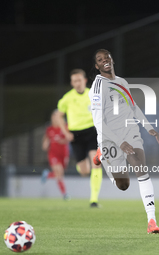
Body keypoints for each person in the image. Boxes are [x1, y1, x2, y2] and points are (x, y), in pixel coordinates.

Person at [90, 49, 159, 234]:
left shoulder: (121, 82)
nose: (105, 60)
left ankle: (151, 220)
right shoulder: (98, 88)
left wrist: (148, 127)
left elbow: (133, 106)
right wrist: (119, 142)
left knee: (140, 167)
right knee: (123, 185)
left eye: (107, 57)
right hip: (109, 139)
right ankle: (101, 155)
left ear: (112, 59)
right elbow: (98, 123)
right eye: (100, 59)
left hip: (130, 132)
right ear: (97, 66)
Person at [56, 69, 102, 208]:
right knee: (84, 171)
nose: (77, 83)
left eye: (79, 80)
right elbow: (59, 115)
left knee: (96, 161)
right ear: (72, 83)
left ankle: (93, 200)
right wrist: (65, 132)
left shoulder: (93, 94)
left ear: (85, 80)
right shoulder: (67, 98)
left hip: (92, 131)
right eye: (74, 81)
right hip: (75, 134)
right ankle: (82, 167)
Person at [41, 110, 70, 200]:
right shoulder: (49, 129)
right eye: (54, 117)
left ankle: (48, 175)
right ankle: (64, 194)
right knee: (59, 172)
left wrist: (62, 141)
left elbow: (69, 138)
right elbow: (46, 140)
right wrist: (45, 144)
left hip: (63, 153)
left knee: (60, 174)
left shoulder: (65, 127)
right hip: (53, 154)